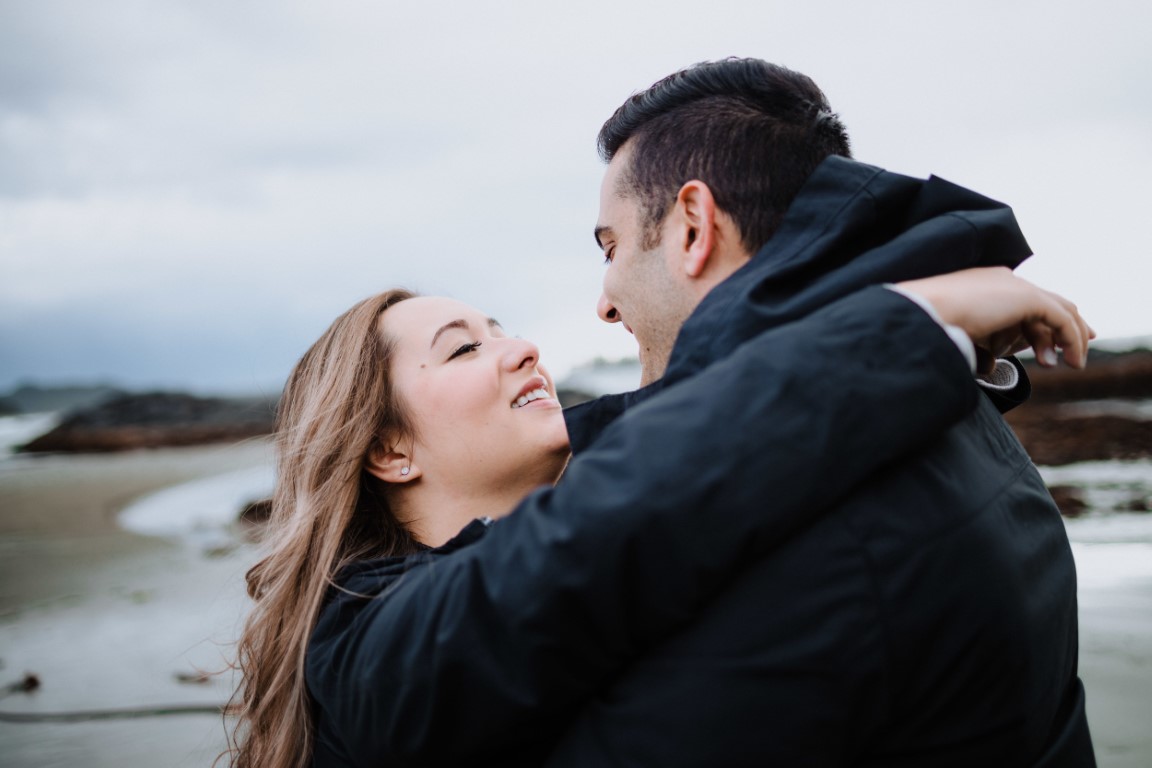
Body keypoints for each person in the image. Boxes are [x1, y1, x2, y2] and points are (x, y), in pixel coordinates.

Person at [227, 269, 1090, 767]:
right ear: (389, 453)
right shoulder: (360, 645)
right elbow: (600, 530)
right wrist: (905, 329)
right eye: (464, 347)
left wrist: (939, 374)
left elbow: (669, 441)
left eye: (500, 327)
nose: (521, 346)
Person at [546, 58, 1096, 765]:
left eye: (611, 247)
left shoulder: (801, 518)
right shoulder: (949, 418)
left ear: (692, 226)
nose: (606, 301)